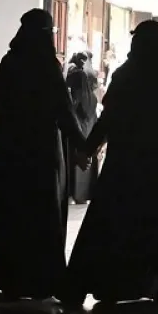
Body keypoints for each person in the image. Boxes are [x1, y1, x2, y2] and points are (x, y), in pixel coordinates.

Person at [64, 20, 158, 304]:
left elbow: (108, 118)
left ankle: (115, 285)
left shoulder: (124, 75)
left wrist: (89, 148)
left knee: (118, 223)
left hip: (127, 162)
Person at [0, 9, 86, 301]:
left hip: (6, 152)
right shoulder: (46, 65)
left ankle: (1, 276)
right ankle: (39, 279)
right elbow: (63, 110)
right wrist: (81, 145)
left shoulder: (9, 62)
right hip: (39, 152)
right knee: (41, 214)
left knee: (7, 213)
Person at [65, 52, 99, 204]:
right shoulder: (92, 97)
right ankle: (85, 194)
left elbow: (69, 112)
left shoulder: (76, 96)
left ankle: (75, 194)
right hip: (89, 131)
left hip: (79, 130)